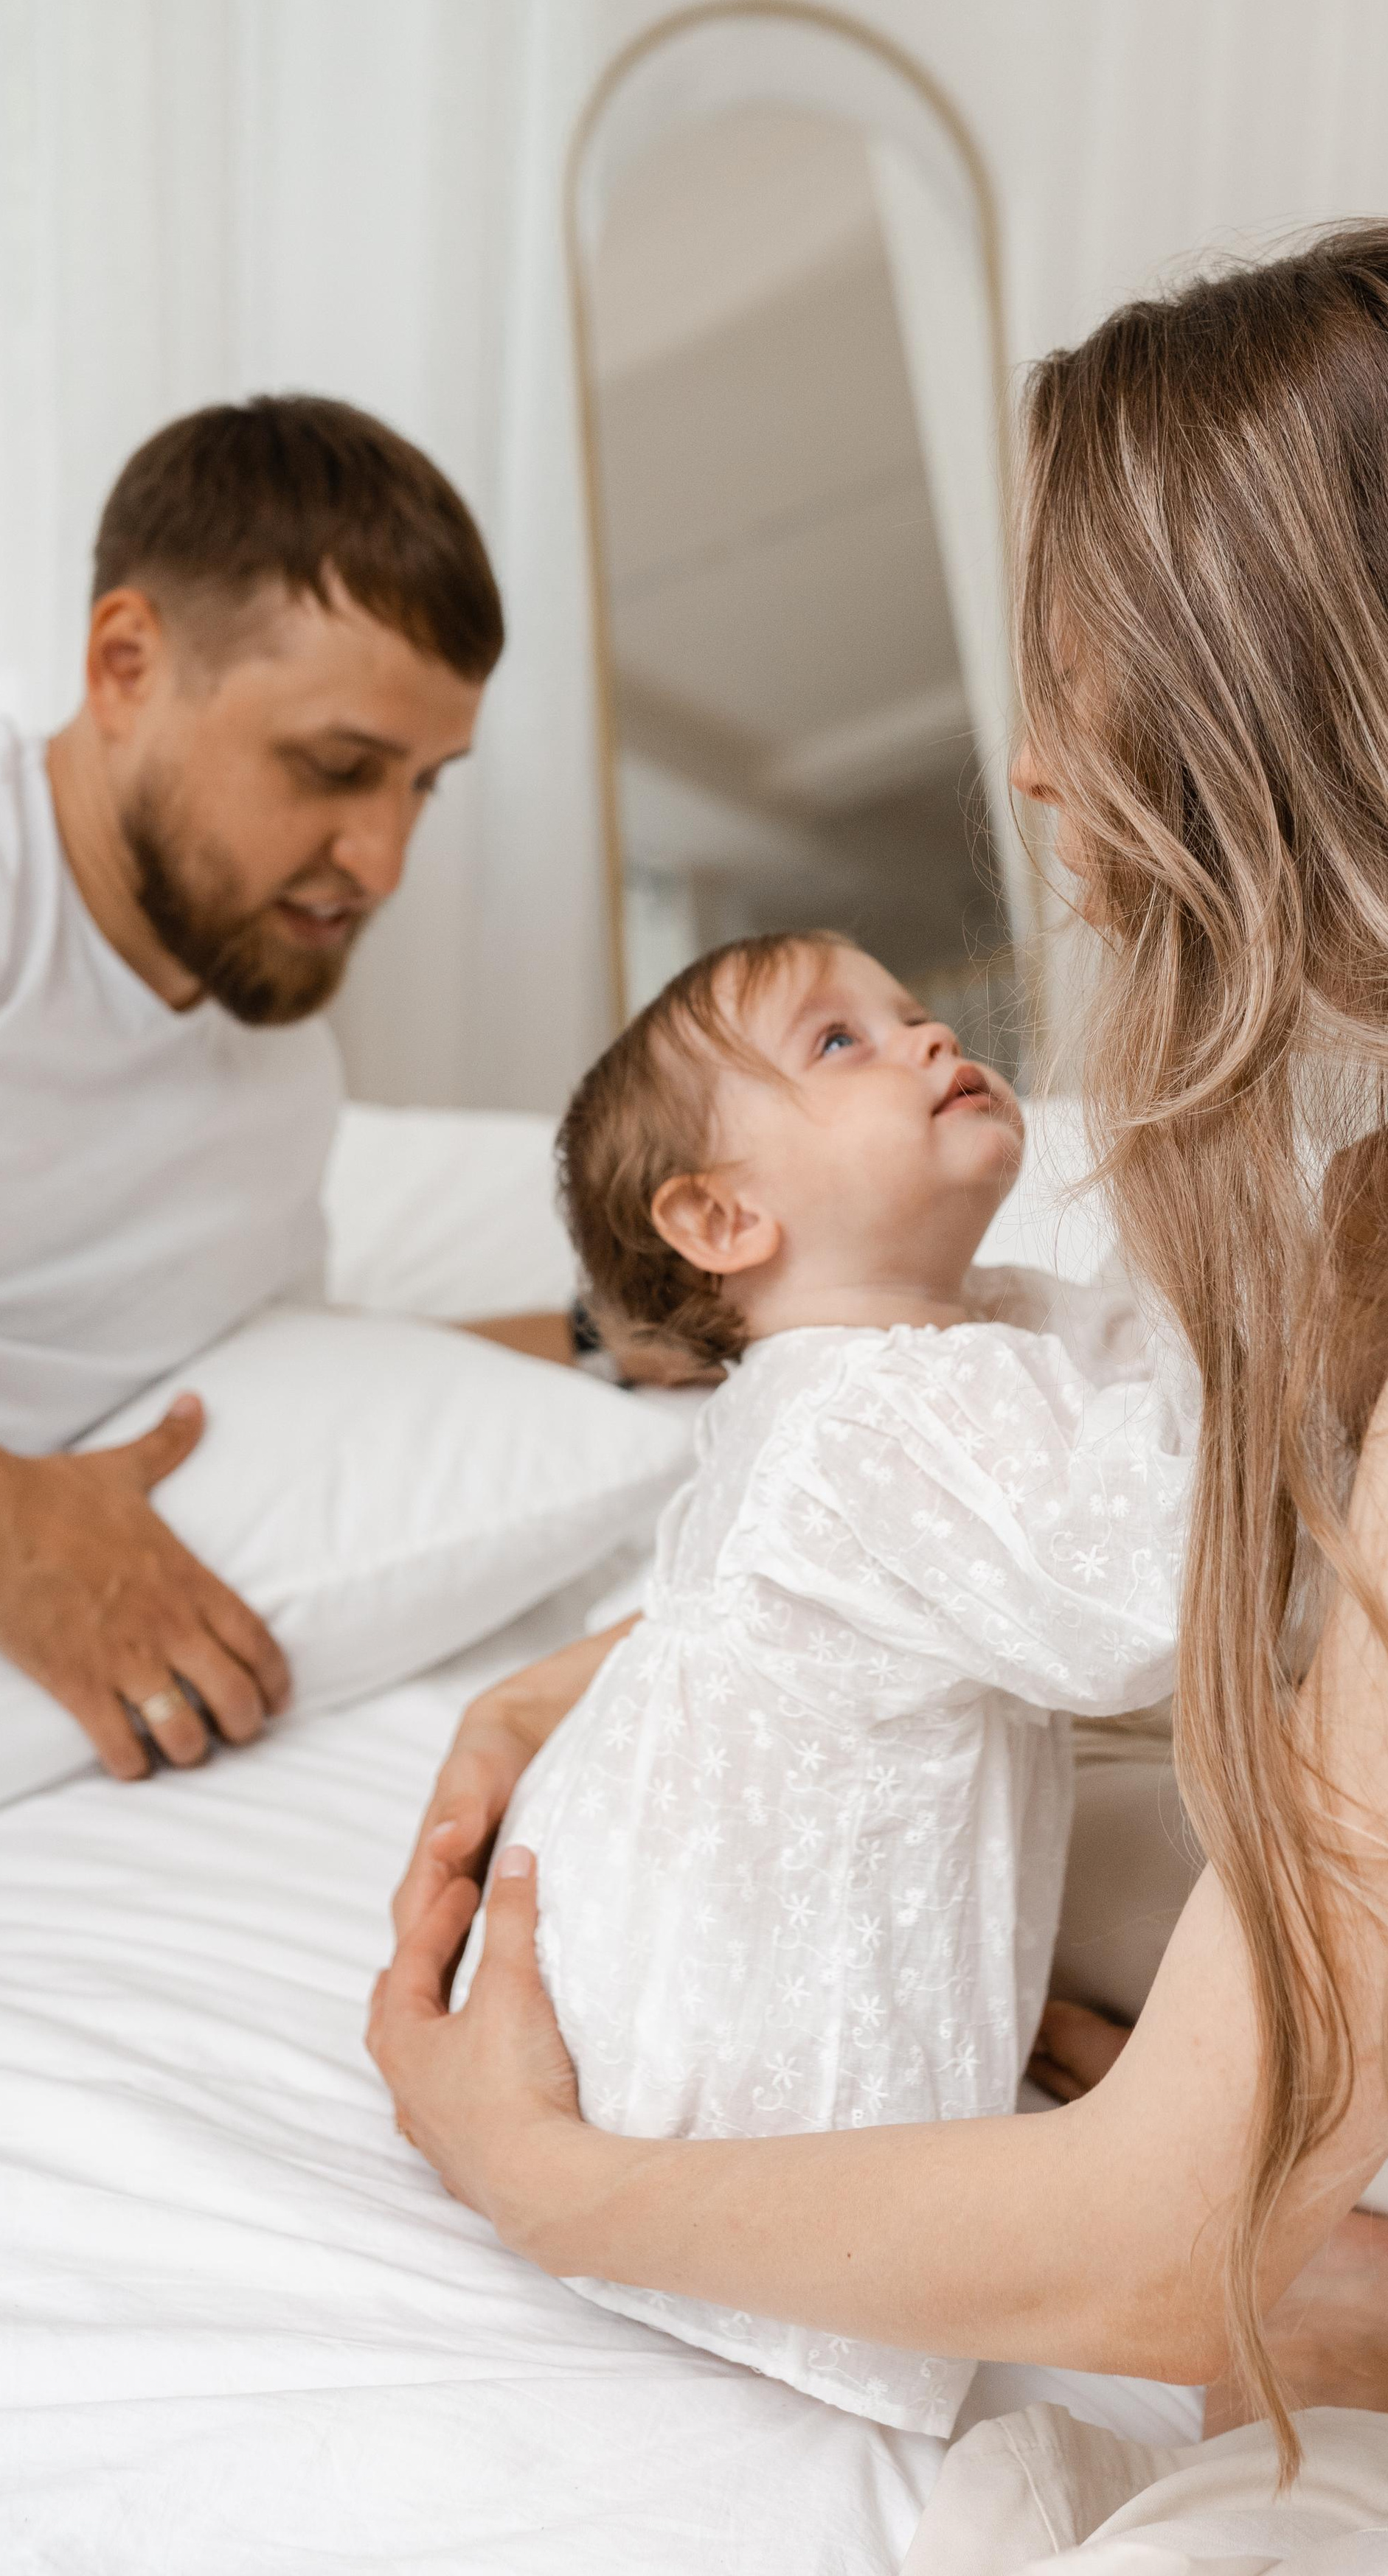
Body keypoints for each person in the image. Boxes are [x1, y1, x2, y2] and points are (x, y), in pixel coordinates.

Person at [369, 223, 1388, 2568]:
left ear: (1291, 713)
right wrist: (649, 1665)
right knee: (952, 1804)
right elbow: (1278, 1560)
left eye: (1079, 671)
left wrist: (557, 2182)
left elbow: (1140, 2224)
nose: (1024, 757)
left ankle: (1384, 2378)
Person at [478, 926, 1193, 2432]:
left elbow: (1135, 1343)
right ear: (723, 1217)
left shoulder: (959, 1322)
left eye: (912, 1009)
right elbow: (1136, 1600)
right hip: (744, 2070)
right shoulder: (858, 1415)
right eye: (836, 1043)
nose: (928, 1038)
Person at [0, 394, 504, 1781]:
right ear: (127, 664)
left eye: (424, 787)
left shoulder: (281, 1088)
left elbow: (287, 1382)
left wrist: (606, 1331)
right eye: (335, 769)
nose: (381, 860)